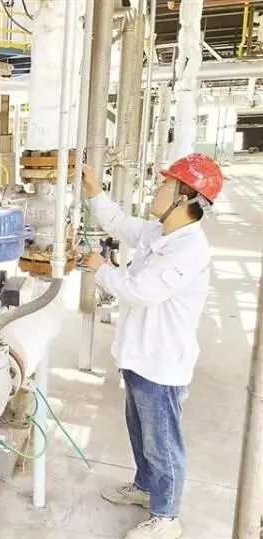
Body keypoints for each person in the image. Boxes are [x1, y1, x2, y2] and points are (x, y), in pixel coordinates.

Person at [81, 153, 223, 539]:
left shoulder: (188, 249)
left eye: (165, 185)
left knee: (162, 443)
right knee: (140, 431)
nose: (157, 190)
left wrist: (101, 269)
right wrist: (93, 190)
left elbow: (141, 291)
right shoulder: (162, 233)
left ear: (184, 198)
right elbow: (119, 223)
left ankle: (167, 516)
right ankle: (145, 487)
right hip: (139, 356)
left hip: (162, 363)